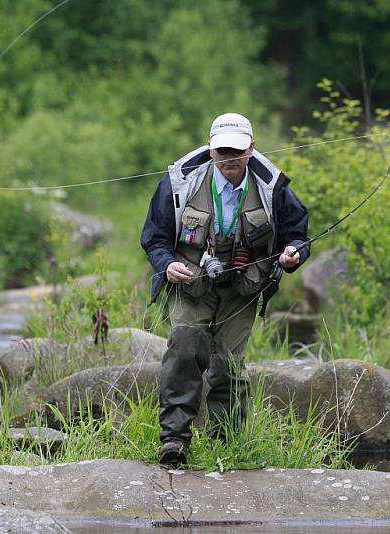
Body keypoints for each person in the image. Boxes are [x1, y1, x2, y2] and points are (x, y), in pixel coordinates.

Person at [141, 112, 310, 466]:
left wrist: (294, 255)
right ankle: (174, 440)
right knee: (185, 347)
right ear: (210, 149)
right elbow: (154, 238)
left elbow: (298, 233)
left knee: (228, 366)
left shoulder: (272, 186)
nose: (230, 158)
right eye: (222, 151)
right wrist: (165, 264)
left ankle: (226, 445)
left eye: (237, 150)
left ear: (252, 147)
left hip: (242, 287)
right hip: (190, 282)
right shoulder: (180, 182)